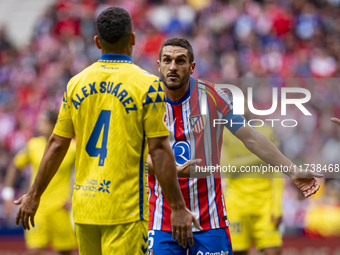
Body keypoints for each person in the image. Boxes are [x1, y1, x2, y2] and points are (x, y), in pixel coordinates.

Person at [14, 7, 200, 255]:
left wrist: (33, 195)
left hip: (84, 210)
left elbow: (57, 143)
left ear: (97, 41)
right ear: (132, 38)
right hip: (126, 211)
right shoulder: (148, 85)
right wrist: (177, 206)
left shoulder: (76, 83)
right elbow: (158, 148)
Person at [147, 37, 321, 255]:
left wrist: (292, 170)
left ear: (192, 67)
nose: (172, 67)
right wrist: (172, 170)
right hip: (162, 219)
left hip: (209, 219)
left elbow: (251, 137)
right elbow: (134, 154)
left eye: (180, 61)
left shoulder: (212, 96)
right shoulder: (144, 99)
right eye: (167, 60)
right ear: (158, 65)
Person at [2, 110, 77, 255]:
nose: (39, 125)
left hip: (60, 208)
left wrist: (74, 197)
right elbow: (15, 167)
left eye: (43, 122)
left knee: (65, 251)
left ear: (54, 125)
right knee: (34, 250)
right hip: (36, 208)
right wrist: (8, 194)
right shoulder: (32, 146)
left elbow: (84, 172)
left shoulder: (72, 148)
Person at [221, 124, 284, 255]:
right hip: (236, 205)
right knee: (237, 251)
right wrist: (262, 156)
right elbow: (226, 166)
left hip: (265, 205)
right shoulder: (224, 133)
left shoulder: (266, 131)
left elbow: (277, 171)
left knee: (274, 251)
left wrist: (277, 207)